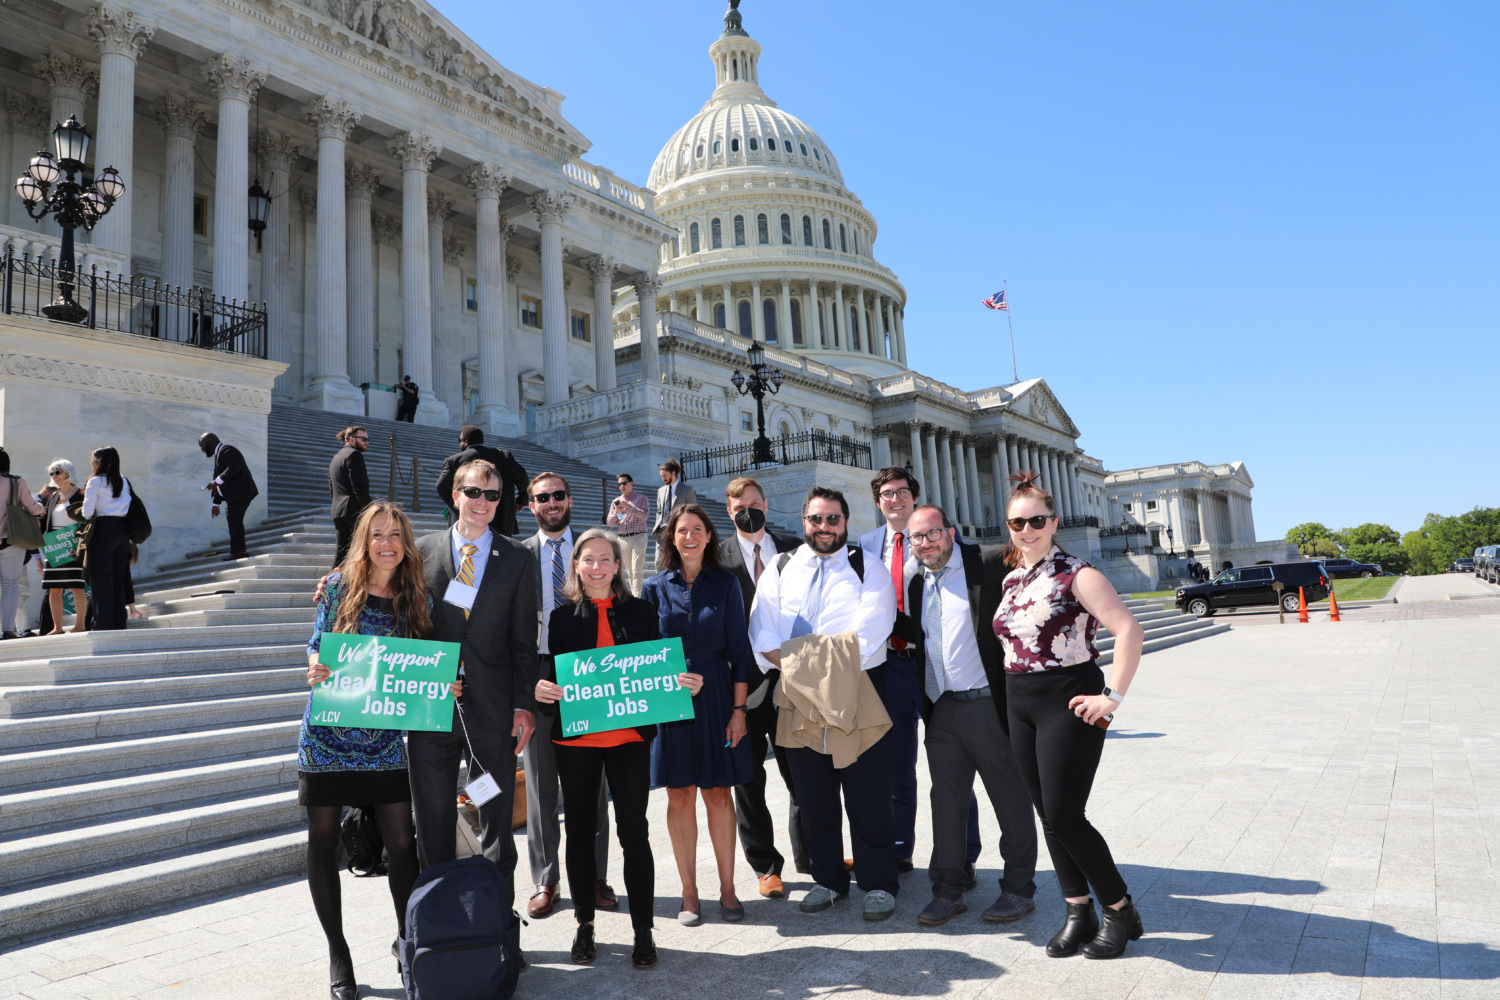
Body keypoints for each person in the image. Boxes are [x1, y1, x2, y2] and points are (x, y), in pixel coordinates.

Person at [995, 471, 1146, 959]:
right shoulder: (1013, 577)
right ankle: (1077, 909)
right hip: (1019, 702)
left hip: (1069, 701)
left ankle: (1119, 909)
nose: (1026, 529)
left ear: (1053, 521)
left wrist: (1112, 698)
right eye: (1017, 522)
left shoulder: (1078, 574)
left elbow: (1129, 631)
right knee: (1048, 816)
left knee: (1065, 814)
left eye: (1036, 520)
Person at [749, 486, 900, 921]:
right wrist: (806, 661)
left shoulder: (865, 567)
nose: (825, 527)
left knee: (867, 794)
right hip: (797, 696)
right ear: (804, 523)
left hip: (854, 692)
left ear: (846, 522)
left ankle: (877, 883)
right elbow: (762, 630)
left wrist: (799, 656)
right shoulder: (780, 566)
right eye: (817, 519)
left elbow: (870, 636)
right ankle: (828, 880)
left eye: (833, 519)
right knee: (813, 798)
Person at [302, 502, 432, 1000]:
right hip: (328, 734)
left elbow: (421, 661)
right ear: (364, 539)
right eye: (378, 534)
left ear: (405, 541)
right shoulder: (337, 587)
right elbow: (317, 641)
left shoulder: (414, 594)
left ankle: (408, 940)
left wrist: (443, 685)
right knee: (322, 838)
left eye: (396, 534)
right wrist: (316, 663)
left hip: (382, 741)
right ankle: (338, 951)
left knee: (402, 841)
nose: (387, 543)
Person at [408, 458, 538, 914]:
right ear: (455, 495)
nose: (483, 502)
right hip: (432, 710)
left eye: (493, 495)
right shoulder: (420, 551)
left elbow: (524, 642)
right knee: (433, 818)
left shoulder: (519, 558)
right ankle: (440, 923)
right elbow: (391, 607)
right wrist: (336, 581)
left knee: (496, 820)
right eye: (474, 492)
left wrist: (524, 706)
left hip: (493, 711)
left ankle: (499, 922)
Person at [901, 504, 1038, 926]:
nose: (926, 543)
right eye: (917, 538)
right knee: (946, 803)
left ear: (951, 532)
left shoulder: (990, 561)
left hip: (987, 705)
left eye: (933, 533)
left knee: (1009, 800)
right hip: (941, 709)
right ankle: (948, 891)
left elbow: (1039, 555)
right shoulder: (916, 584)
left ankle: (1018, 891)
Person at [534, 528, 661, 969]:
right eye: (588, 559)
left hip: (629, 741)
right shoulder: (562, 618)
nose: (597, 567)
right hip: (578, 742)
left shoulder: (643, 612)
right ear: (576, 565)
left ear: (618, 565)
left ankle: (643, 931)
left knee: (634, 833)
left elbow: (655, 673)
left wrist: (681, 682)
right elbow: (552, 672)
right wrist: (543, 688)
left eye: (605, 559)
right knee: (580, 835)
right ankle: (584, 926)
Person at [858, 467, 982, 877]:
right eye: (887, 494)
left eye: (903, 492)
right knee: (897, 766)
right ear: (878, 502)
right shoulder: (865, 545)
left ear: (914, 496)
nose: (896, 499)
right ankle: (899, 849)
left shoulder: (941, 537)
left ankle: (964, 851)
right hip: (888, 666)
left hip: (934, 663)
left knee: (953, 760)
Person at [642, 503, 754, 925]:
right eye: (681, 530)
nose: (689, 536)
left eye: (697, 530)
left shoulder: (726, 584)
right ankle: (689, 894)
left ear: (709, 537)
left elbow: (740, 653)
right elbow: (644, 653)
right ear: (671, 537)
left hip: (718, 698)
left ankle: (728, 889)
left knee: (719, 794)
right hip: (670, 703)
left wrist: (739, 710)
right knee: (679, 795)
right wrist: (667, 677)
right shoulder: (653, 588)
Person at [520, 471, 615, 919]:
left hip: (591, 674)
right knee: (539, 784)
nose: (552, 502)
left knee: (593, 783)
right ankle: (546, 878)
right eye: (543, 498)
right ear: (530, 505)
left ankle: (595, 876)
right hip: (540, 674)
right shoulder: (518, 557)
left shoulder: (595, 551)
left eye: (558, 495)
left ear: (570, 500)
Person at [717, 476, 806, 898]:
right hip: (744, 687)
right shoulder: (719, 556)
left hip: (792, 681)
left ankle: (811, 853)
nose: (747, 511)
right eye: (739, 507)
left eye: (753, 503)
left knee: (804, 774)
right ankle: (766, 866)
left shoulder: (793, 547)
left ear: (766, 505)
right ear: (729, 511)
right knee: (748, 781)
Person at [434, 426, 528, 537]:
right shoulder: (503, 456)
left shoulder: (454, 460)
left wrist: (459, 502)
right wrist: (522, 499)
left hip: (465, 524)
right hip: (501, 521)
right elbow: (523, 478)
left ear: (465, 442)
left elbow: (441, 486)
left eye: (460, 441)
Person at [80, 447, 132, 632]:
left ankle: (102, 625)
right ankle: (119, 623)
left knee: (101, 580)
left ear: (99, 460)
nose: (90, 461)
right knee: (118, 579)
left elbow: (86, 513)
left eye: (92, 458)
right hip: (122, 531)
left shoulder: (95, 481)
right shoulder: (123, 480)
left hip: (102, 531)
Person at [0, 447, 45, 639]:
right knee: (10, 586)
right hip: (11, 539)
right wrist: (41, 507)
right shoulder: (17, 482)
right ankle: (7, 630)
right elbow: (32, 508)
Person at [38, 459, 87, 634]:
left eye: (57, 472)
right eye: (51, 473)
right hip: (55, 546)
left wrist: (81, 546)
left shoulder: (81, 495)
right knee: (54, 588)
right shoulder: (53, 497)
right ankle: (57, 627)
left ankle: (80, 625)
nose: (54, 476)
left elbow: (87, 522)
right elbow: (46, 523)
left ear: (67, 472)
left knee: (76, 586)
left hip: (74, 545)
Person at [199, 432, 259, 561]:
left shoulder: (227, 449)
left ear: (210, 441)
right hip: (237, 494)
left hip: (242, 492)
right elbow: (220, 479)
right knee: (233, 518)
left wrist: (216, 482)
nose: (202, 449)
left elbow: (234, 467)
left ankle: (239, 552)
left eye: (202, 445)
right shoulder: (219, 453)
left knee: (234, 518)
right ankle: (237, 551)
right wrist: (216, 503)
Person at [328, 426, 371, 568]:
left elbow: (332, 488)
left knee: (342, 551)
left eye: (367, 439)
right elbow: (360, 488)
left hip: (338, 510)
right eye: (363, 439)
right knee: (358, 552)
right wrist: (370, 510)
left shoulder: (337, 456)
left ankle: (331, 588)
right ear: (351, 439)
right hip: (353, 511)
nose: (367, 442)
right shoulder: (354, 455)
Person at [605, 473, 650, 595]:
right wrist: (617, 512)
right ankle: (635, 595)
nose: (622, 486)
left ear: (631, 483)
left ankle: (637, 598)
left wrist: (629, 507)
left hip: (638, 536)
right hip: (623, 538)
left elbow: (645, 515)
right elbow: (610, 523)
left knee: (637, 570)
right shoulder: (616, 501)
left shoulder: (641, 498)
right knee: (629, 571)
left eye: (624, 483)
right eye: (619, 484)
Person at [652, 460, 696, 538]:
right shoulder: (660, 491)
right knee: (659, 551)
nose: (663, 479)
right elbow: (659, 511)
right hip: (662, 531)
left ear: (673, 473)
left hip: (678, 530)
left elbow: (693, 510)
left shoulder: (686, 489)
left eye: (665, 475)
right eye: (661, 476)